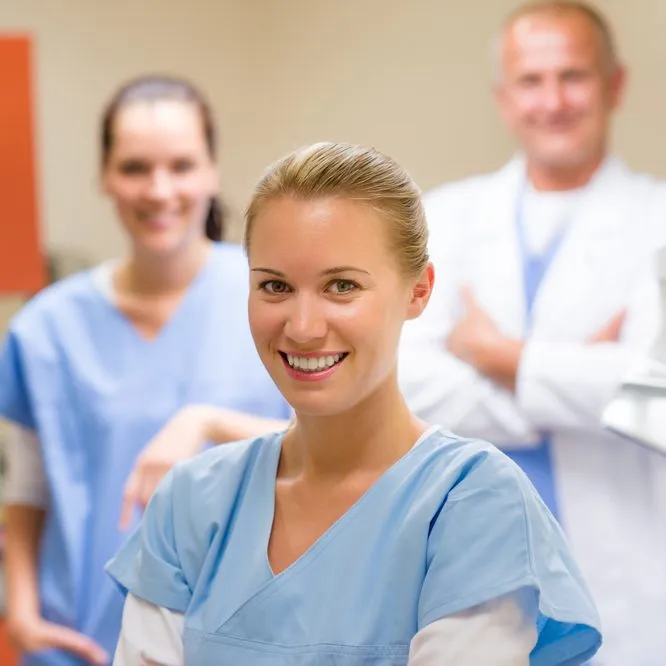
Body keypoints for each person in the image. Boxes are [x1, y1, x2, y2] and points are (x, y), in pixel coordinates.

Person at [106, 142, 602, 666]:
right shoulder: (191, 504)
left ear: (419, 291)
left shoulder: (471, 504)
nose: (302, 327)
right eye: (275, 286)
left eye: (341, 286)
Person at [397, 2, 666, 664]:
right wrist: (575, 378)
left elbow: (654, 401)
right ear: (503, 96)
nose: (553, 101)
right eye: (531, 80)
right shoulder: (447, 219)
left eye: (573, 76)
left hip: (624, 579)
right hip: (473, 575)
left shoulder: (656, 220)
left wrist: (499, 356)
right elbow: (404, 387)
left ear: (615, 85)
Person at [0, 75, 290, 666]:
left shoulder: (276, 297)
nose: (159, 190)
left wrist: (206, 421)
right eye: (135, 168)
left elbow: (342, 453)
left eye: (182, 165)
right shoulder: (48, 327)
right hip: (81, 640)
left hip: (248, 637)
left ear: (212, 172)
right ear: (105, 176)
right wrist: (21, 611)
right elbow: (28, 488)